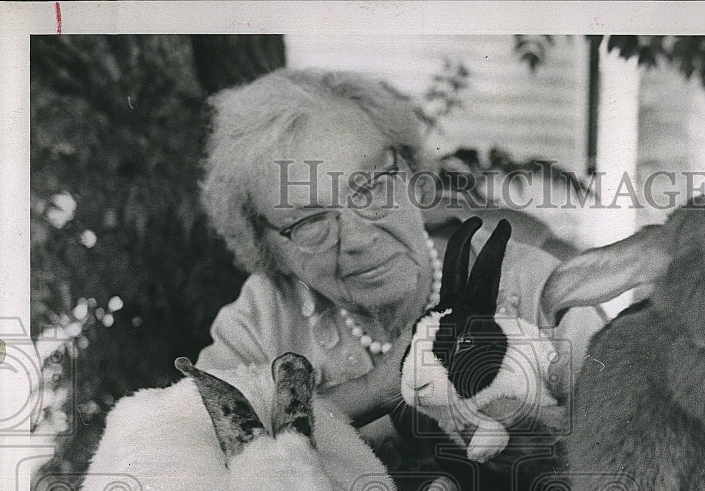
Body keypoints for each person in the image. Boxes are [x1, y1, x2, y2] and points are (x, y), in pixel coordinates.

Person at [196, 68, 655, 467]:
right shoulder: (262, 318)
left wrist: (553, 445)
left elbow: (639, 442)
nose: (356, 238)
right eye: (311, 222)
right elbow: (187, 452)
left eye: (371, 188)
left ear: (414, 176)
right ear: (268, 248)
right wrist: (373, 390)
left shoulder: (533, 287)